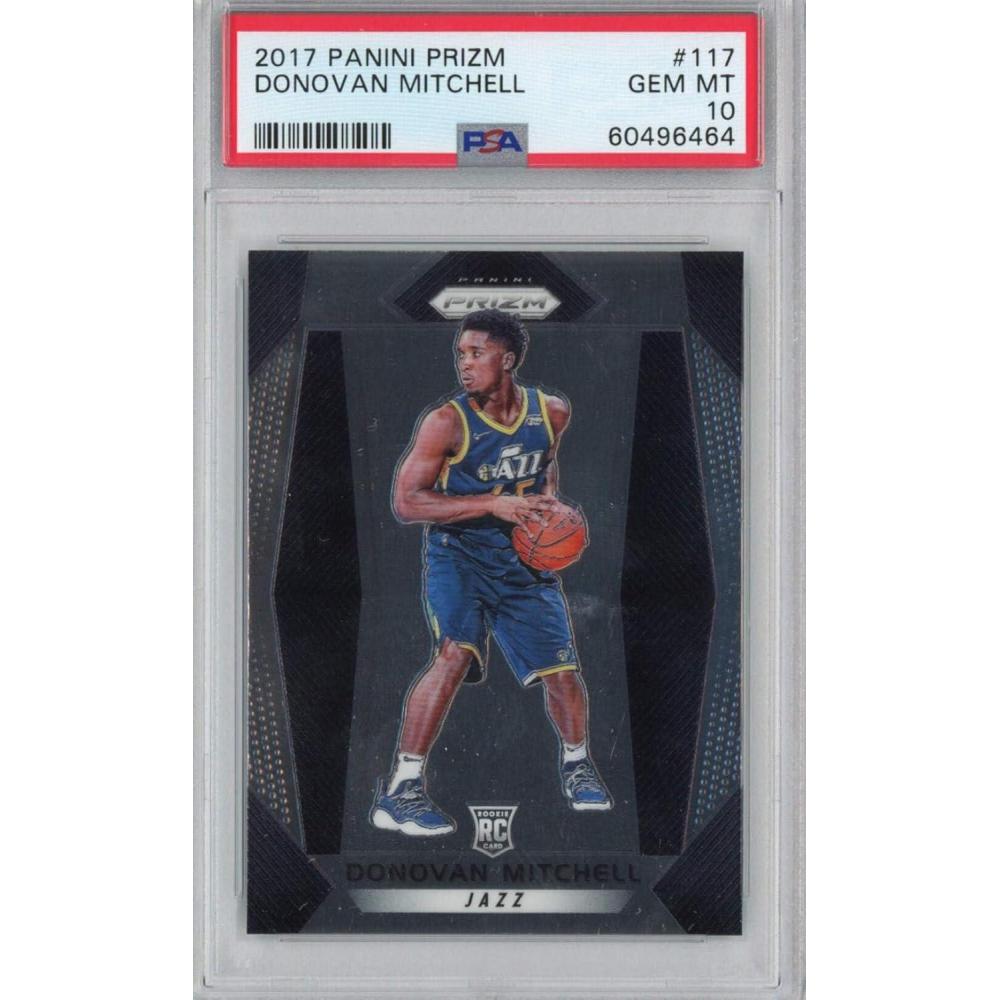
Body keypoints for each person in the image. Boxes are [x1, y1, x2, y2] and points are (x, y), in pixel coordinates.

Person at [370, 309, 612, 837]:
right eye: (461, 353)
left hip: (519, 560)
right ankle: (402, 790)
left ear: (508, 359)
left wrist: (548, 508)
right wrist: (491, 504)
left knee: (562, 672)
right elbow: (406, 503)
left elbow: (544, 467)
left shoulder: (551, 411)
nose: (464, 363)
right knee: (453, 654)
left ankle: (577, 765)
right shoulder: (445, 422)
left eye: (476, 353)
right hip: (459, 555)